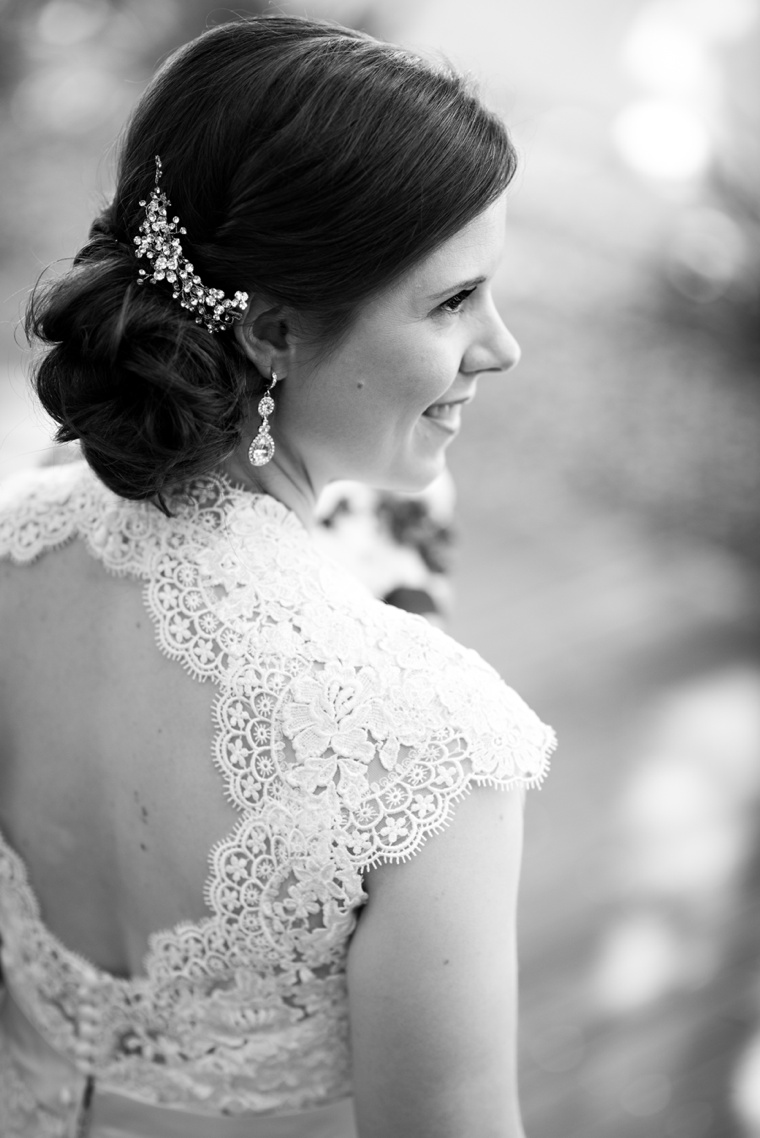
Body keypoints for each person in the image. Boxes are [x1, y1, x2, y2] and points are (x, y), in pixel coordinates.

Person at [0, 14, 555, 1138]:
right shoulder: (430, 747)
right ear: (272, 332)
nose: (500, 347)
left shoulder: (12, 548)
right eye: (452, 301)